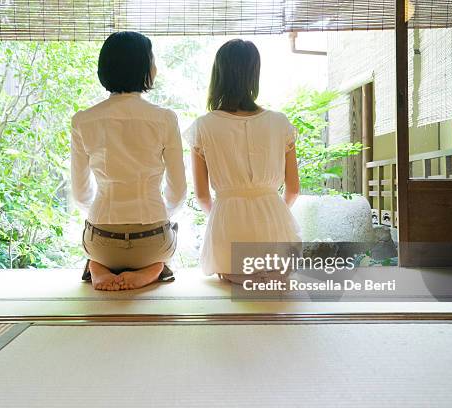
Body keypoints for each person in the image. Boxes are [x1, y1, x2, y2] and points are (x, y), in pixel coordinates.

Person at [71, 32, 186, 291]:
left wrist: (104, 216)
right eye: (152, 58)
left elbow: (80, 194)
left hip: (102, 242)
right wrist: (158, 213)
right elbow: (178, 192)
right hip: (152, 241)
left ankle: (97, 267)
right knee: (168, 241)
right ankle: (155, 268)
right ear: (144, 67)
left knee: (95, 248)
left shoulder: (83, 120)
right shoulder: (165, 119)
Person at [185, 39, 301, 282]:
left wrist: (225, 215)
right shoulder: (280, 123)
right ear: (253, 75)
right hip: (274, 224)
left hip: (228, 226)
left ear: (218, 75)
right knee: (278, 284)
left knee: (233, 278)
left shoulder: (203, 127)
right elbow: (293, 190)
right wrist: (270, 213)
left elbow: (203, 196)